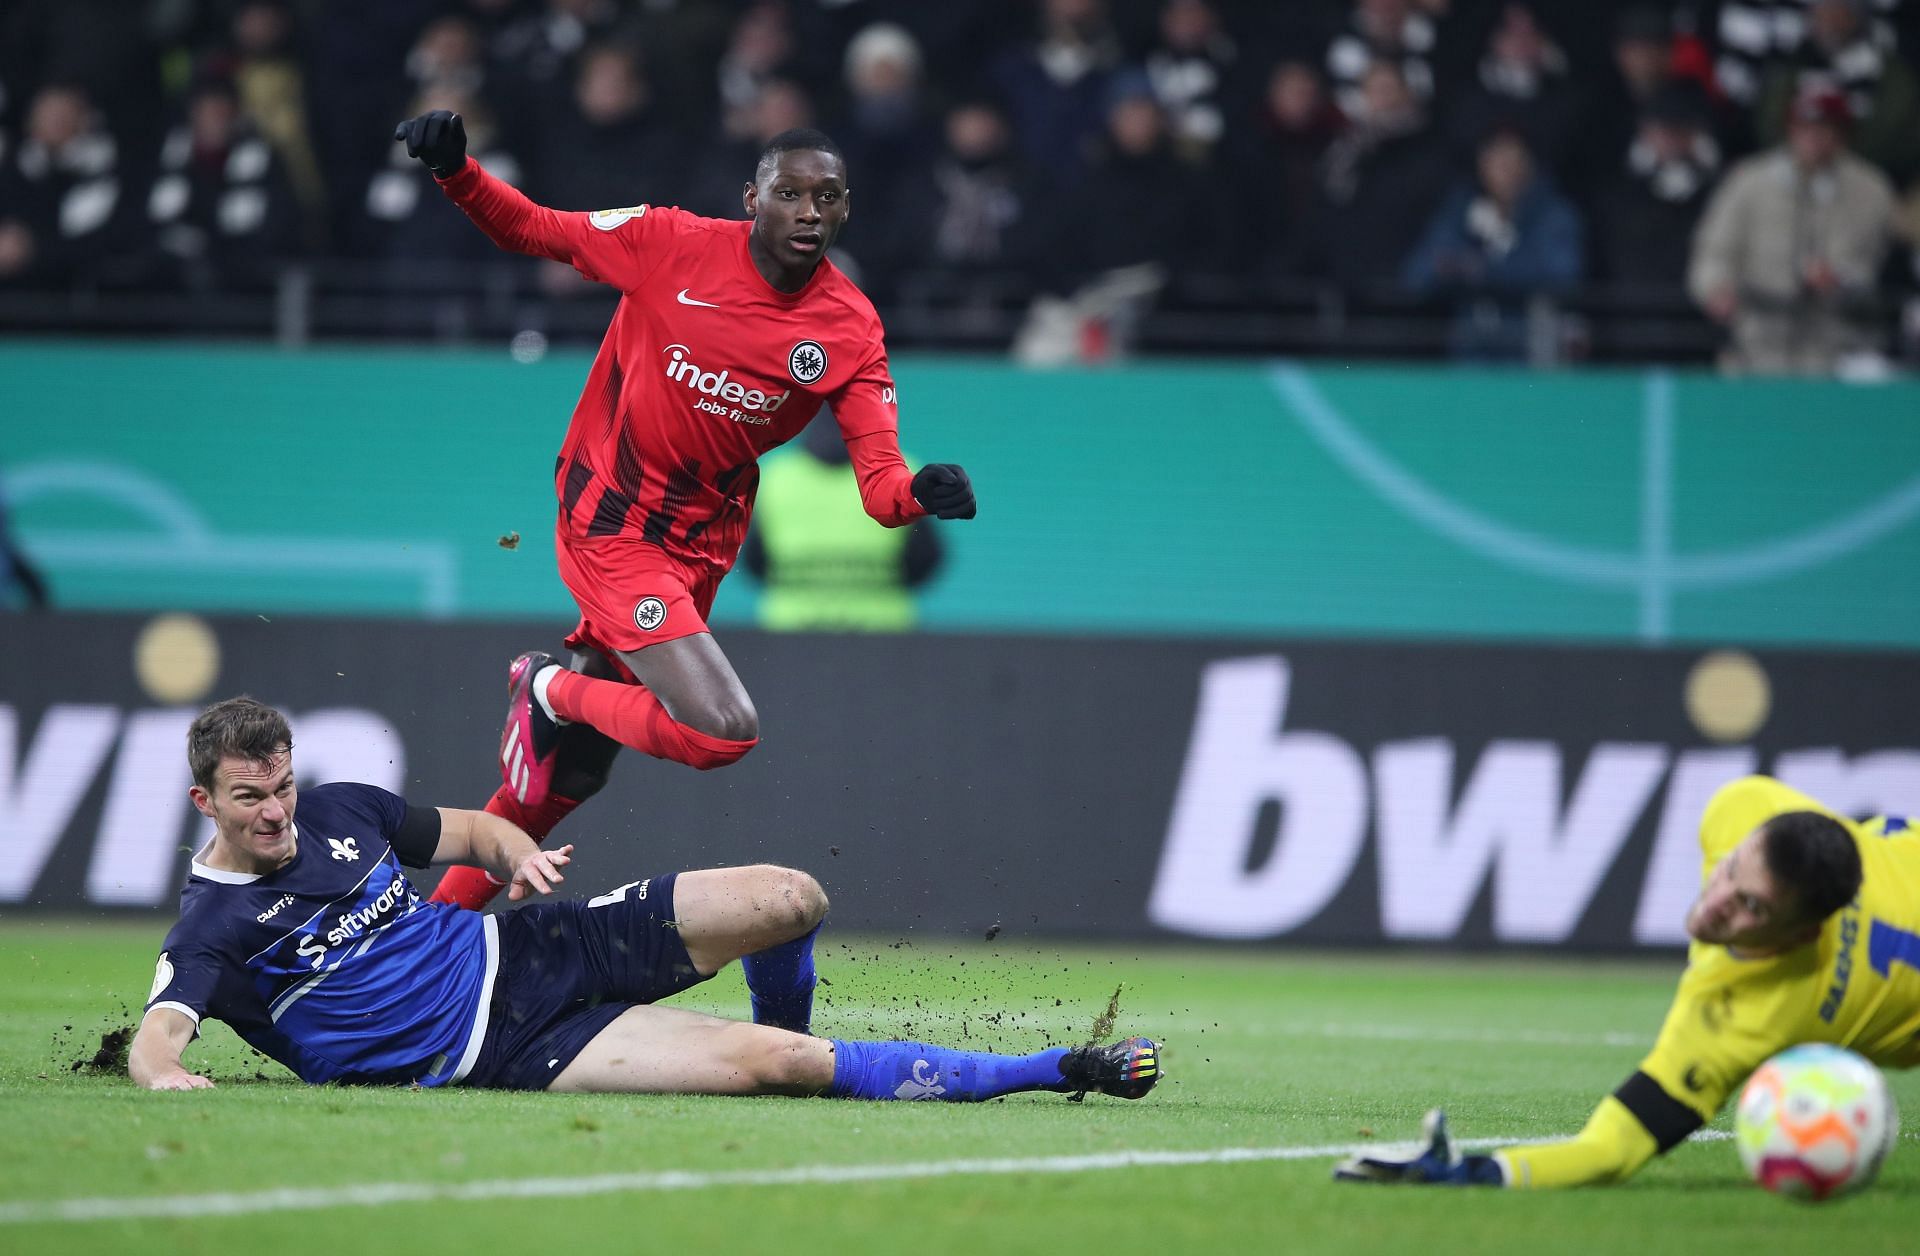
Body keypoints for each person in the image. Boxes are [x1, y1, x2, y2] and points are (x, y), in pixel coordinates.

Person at [389, 110, 976, 912]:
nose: (809, 211)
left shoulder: (849, 327)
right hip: (610, 516)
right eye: (790, 193)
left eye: (827, 197)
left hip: (701, 545)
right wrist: (458, 172)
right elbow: (535, 229)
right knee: (720, 729)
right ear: (752, 199)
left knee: (570, 778)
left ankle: (430, 937)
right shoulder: (668, 242)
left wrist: (921, 494)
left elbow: (880, 486)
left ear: (845, 209)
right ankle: (547, 688)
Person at [130, 697, 1162, 1103]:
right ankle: (1056, 1068)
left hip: (528, 945)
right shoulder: (211, 927)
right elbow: (158, 1036)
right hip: (504, 1052)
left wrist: (518, 850)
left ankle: (798, 1059)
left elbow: (473, 830)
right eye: (249, 798)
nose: (275, 813)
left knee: (793, 895)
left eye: (281, 787)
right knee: (785, 1064)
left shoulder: (344, 810)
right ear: (204, 799)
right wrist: (170, 1075)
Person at [1332, 774, 1916, 1188]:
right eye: (1730, 868)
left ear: (1800, 937)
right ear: (1746, 839)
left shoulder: (1749, 1018)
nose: (1715, 907)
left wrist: (1475, 1175)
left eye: (1751, 909)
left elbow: (1614, 1149)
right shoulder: (1742, 806)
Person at [1688, 82, 1897, 375]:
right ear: (1790, 129)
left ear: (1843, 134)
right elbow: (1714, 250)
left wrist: (1840, 280)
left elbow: (1883, 270)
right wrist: (1715, 287)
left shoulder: (1871, 190)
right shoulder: (1749, 181)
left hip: (1836, 347)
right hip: (1756, 342)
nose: (1813, 137)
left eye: (1824, 127)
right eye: (1804, 126)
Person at [741, 414, 943, 632]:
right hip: (883, 634)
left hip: (792, 632)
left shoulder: (775, 476)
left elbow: (753, 559)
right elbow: (926, 556)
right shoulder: (900, 471)